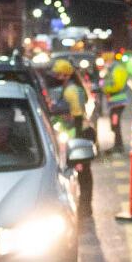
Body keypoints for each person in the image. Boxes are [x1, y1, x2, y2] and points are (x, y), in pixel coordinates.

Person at [51, 58, 93, 214]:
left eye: (58, 74)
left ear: (65, 75)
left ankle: (85, 207)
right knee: (82, 172)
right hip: (78, 133)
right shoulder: (73, 88)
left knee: (82, 172)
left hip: (78, 133)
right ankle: (85, 205)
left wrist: (77, 141)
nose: (55, 77)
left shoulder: (71, 90)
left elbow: (76, 116)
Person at [102, 56, 132, 154]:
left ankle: (118, 146)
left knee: (115, 123)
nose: (105, 62)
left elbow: (117, 85)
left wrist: (106, 89)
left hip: (118, 101)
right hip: (114, 102)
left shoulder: (117, 69)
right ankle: (117, 145)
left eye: (105, 60)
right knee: (114, 123)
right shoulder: (112, 69)